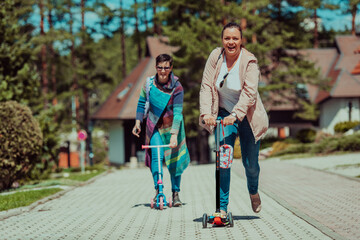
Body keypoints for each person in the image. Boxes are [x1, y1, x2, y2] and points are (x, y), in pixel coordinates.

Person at [199, 22, 269, 215]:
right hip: (223, 115)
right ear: (222, 40)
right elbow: (206, 86)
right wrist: (206, 113)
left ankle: (253, 191)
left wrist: (236, 115)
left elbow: (250, 94)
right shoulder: (215, 57)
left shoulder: (249, 62)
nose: (231, 42)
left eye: (235, 38)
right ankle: (222, 208)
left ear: (241, 40)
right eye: (227, 38)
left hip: (247, 116)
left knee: (250, 165)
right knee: (223, 160)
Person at [132, 53, 190, 207]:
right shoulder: (149, 84)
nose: (163, 71)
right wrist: (138, 122)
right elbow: (141, 103)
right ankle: (159, 189)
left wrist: (174, 135)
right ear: (156, 67)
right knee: (157, 156)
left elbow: (177, 113)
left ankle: (175, 193)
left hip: (173, 126)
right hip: (154, 125)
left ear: (171, 68)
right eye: (160, 67)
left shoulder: (177, 87)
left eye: (166, 68)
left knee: (174, 160)